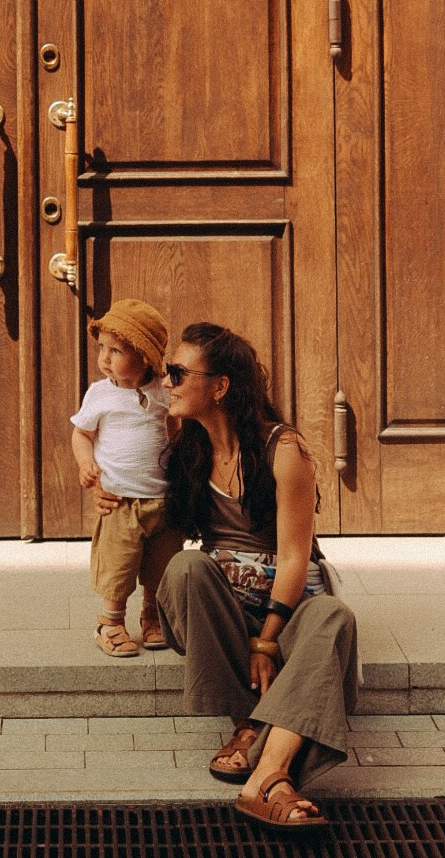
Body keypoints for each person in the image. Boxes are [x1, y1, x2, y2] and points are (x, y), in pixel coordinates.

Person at [144, 322, 358, 835]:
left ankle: (267, 773)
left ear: (220, 386)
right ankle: (250, 725)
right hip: (221, 608)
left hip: (285, 607)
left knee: (334, 614)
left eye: (177, 372)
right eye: (166, 372)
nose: (167, 382)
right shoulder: (187, 450)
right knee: (187, 567)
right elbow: (163, 539)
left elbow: (293, 558)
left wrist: (266, 642)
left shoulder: (283, 450)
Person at [70, 298, 183, 656]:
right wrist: (85, 463)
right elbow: (81, 433)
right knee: (118, 568)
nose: (104, 358)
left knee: (159, 567)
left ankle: (152, 616)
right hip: (119, 500)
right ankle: (111, 621)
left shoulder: (163, 393)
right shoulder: (100, 394)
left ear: (146, 356)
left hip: (162, 499)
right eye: (101, 347)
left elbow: (177, 428)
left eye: (115, 350)